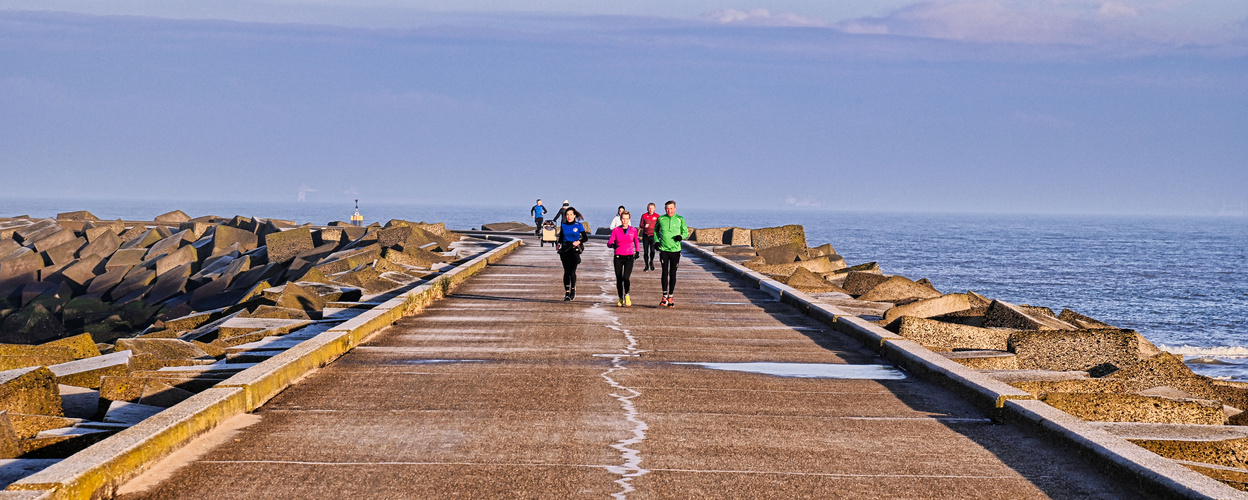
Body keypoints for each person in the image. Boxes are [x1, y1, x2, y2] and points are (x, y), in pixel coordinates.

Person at [654, 200, 688, 308]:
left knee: (673, 273)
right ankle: (664, 296)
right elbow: (655, 231)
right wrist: (656, 241)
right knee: (664, 272)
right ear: (665, 209)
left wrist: (681, 237)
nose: (669, 210)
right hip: (664, 249)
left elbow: (686, 232)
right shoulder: (661, 219)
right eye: (667, 209)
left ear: (675, 208)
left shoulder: (680, 219)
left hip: (675, 251)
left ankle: (671, 296)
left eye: (671, 208)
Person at [606, 211, 640, 307]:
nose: (625, 221)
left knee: (626, 277)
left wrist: (637, 251)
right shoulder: (616, 230)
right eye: (623, 219)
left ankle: (627, 295)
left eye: (626, 219)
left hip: (629, 256)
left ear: (629, 220)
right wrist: (613, 244)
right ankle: (620, 297)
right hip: (618, 257)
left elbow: (636, 241)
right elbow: (609, 242)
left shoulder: (633, 230)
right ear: (621, 219)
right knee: (619, 278)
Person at [556, 206, 588, 301]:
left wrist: (579, 241)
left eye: (571, 214)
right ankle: (566, 292)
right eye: (567, 215)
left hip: (574, 250)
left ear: (574, 215)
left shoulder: (579, 225)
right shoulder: (563, 225)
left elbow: (585, 238)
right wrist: (558, 244)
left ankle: (573, 289)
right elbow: (561, 237)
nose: (569, 216)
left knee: (572, 272)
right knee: (566, 271)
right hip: (565, 250)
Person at [638, 203, 660, 271]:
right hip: (645, 235)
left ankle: (651, 261)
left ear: (654, 208)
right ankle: (646, 265)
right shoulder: (644, 215)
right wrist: (644, 226)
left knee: (652, 251)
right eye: (649, 208)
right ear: (647, 208)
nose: (650, 209)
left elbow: (659, 226)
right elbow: (641, 225)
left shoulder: (657, 216)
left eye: (652, 208)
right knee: (645, 252)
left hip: (653, 236)